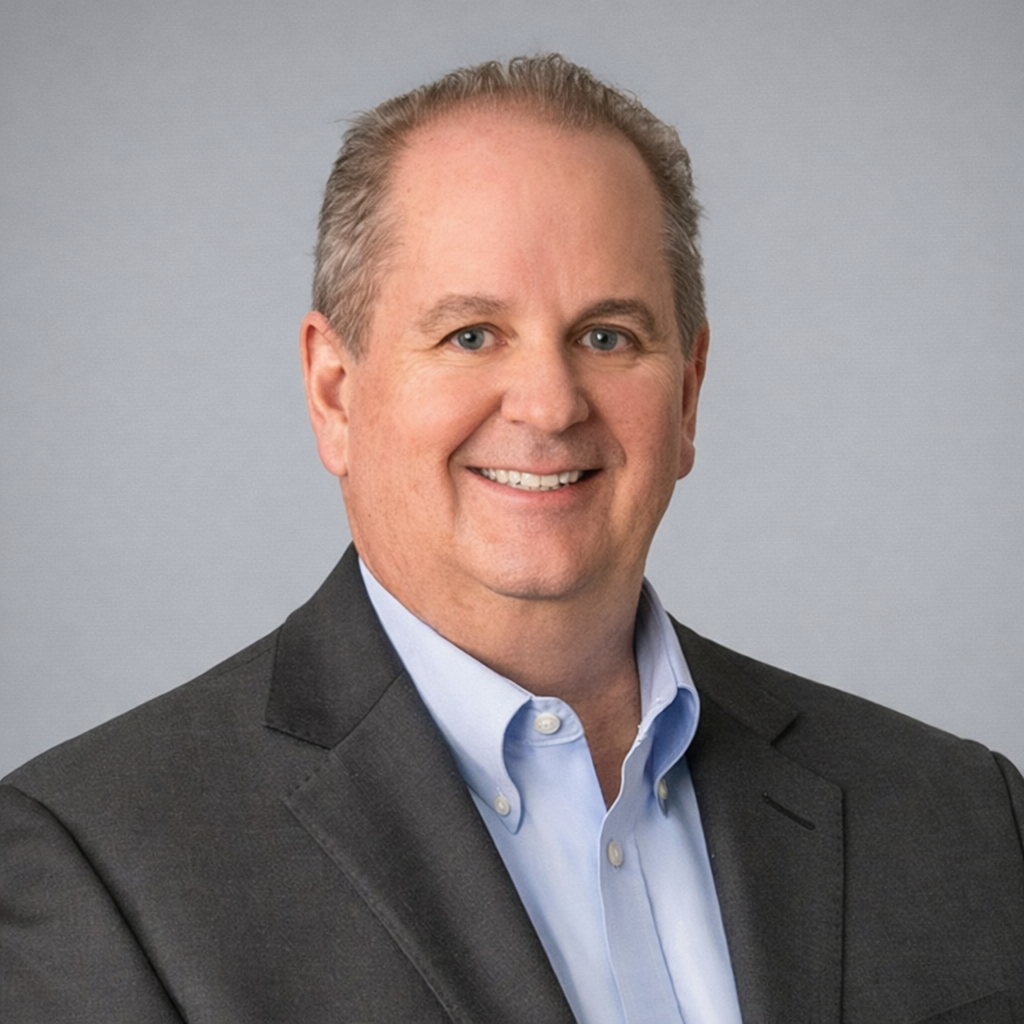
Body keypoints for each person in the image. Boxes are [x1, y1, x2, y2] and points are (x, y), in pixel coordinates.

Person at [1, 54, 1021, 1024]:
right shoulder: (103, 868)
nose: (548, 403)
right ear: (335, 391)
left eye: (607, 335)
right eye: (471, 335)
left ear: (687, 395)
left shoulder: (964, 817)